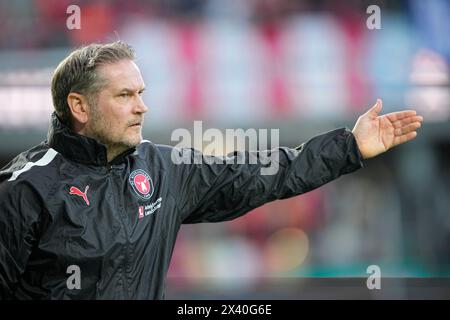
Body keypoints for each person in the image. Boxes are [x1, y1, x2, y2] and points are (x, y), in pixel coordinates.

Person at [0, 41, 423, 299]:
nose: (142, 106)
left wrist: (348, 146)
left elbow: (261, 173)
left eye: (141, 93)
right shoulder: (26, 189)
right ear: (79, 106)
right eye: (125, 95)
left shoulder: (163, 168)